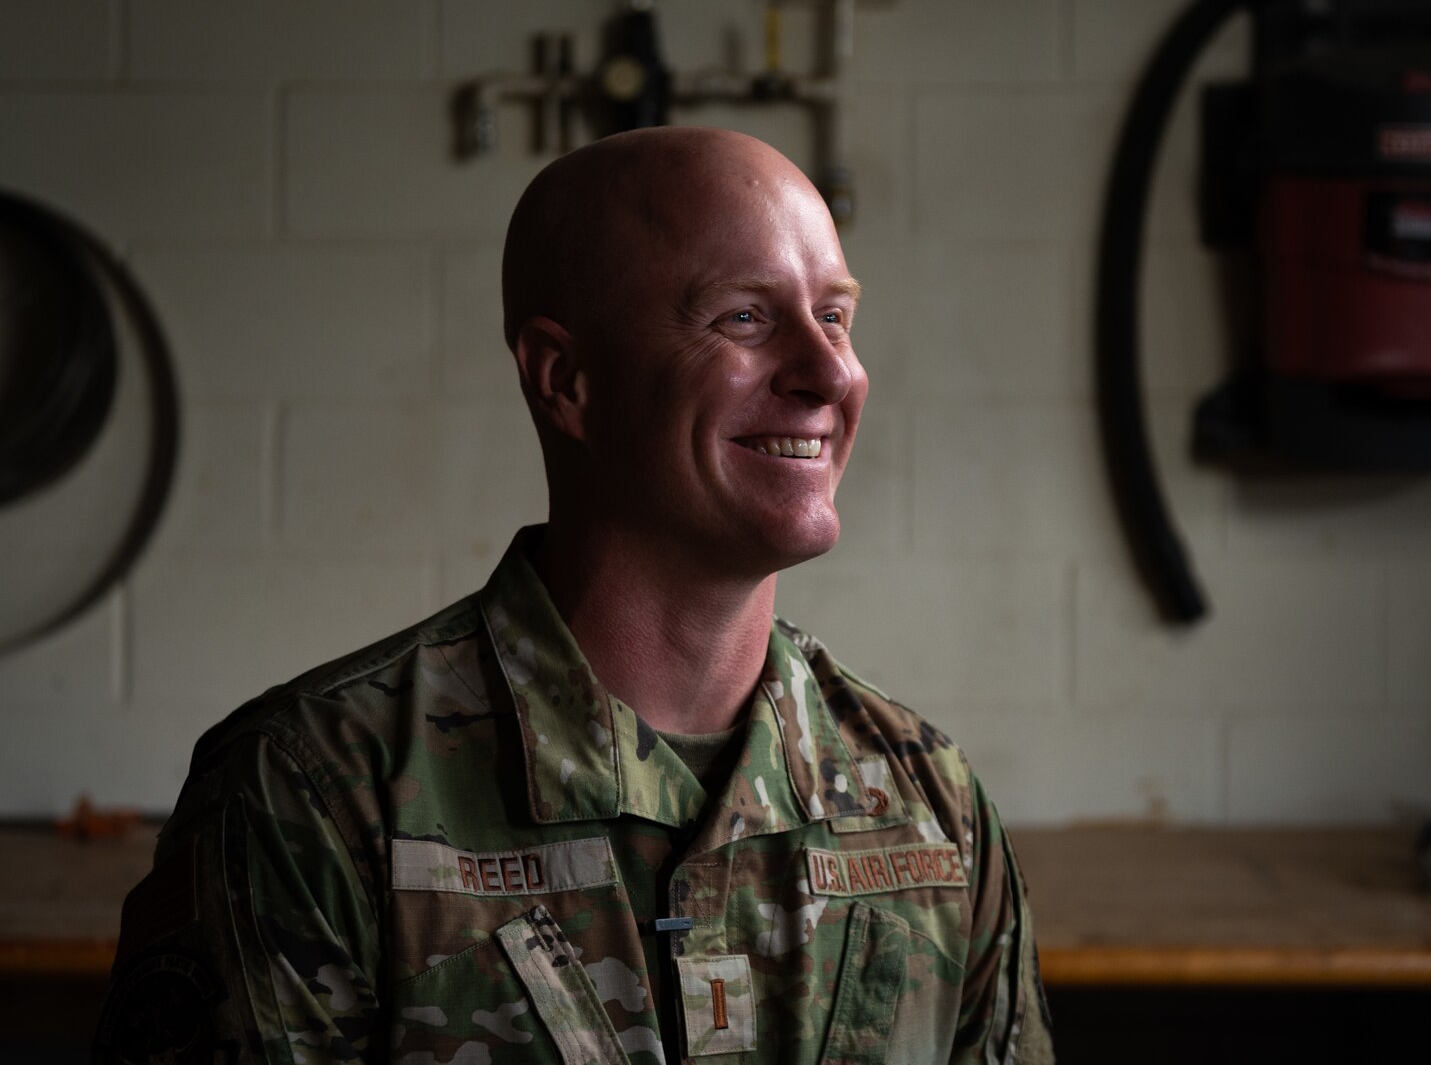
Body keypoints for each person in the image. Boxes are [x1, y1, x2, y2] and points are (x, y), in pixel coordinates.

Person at [95, 126, 1054, 1064]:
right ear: (566, 380)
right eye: (745, 318)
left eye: (835, 316)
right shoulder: (311, 798)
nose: (830, 372)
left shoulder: (928, 803)